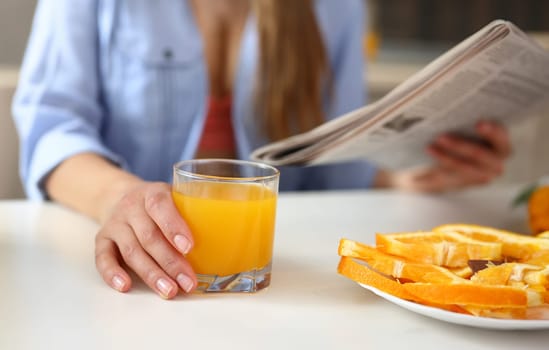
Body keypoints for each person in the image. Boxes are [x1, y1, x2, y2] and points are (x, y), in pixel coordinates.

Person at [12, 0, 511, 299]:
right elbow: (52, 127)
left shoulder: (334, 9)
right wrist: (118, 198)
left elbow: (324, 164)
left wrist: (408, 175)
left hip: (275, 281)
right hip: (131, 287)